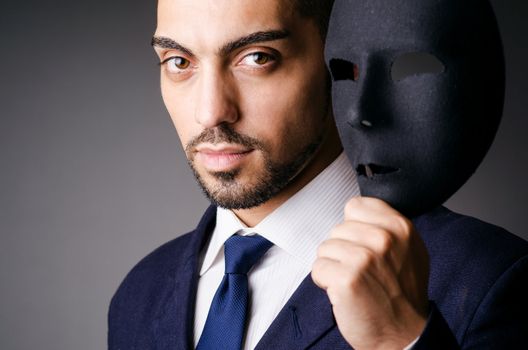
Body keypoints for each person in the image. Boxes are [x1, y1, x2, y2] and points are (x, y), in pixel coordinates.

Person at [108, 0, 528, 349]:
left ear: (338, 64)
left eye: (257, 58)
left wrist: (402, 342)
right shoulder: (139, 294)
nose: (211, 111)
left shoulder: (491, 279)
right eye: (179, 61)